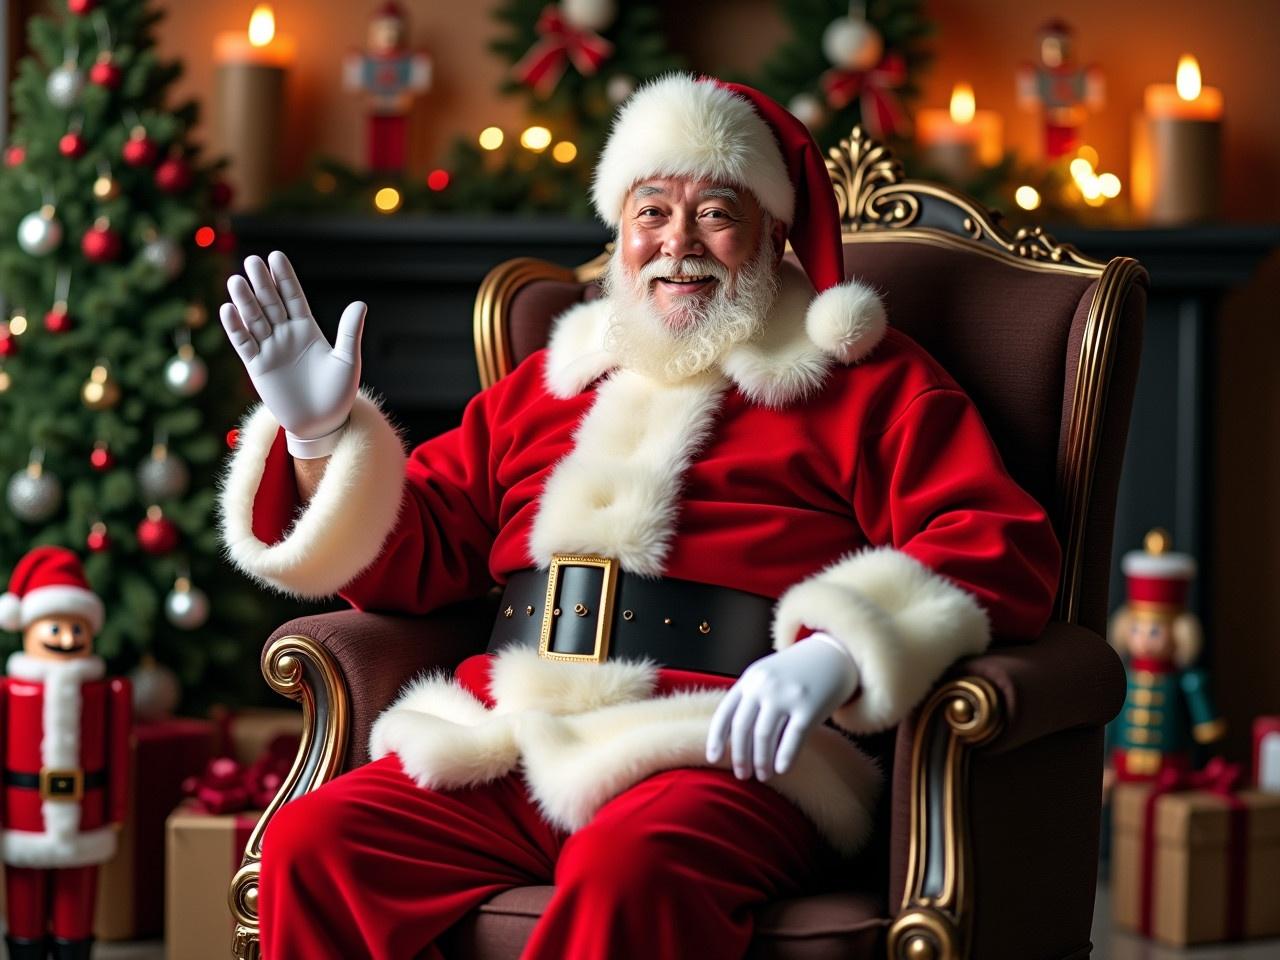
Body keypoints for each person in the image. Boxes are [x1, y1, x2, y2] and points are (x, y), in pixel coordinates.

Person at [217, 75, 1061, 959]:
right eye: (652, 211)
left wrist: (840, 650)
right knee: (315, 847)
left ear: (775, 233)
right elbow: (417, 554)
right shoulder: (544, 390)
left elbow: (997, 543)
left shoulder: (865, 380)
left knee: (632, 871)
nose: (678, 243)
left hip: (724, 748)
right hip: (514, 734)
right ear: (619, 232)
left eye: (716, 212)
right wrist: (319, 441)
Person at [0, 546, 132, 960]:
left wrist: (115, 811)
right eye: (54, 628)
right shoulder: (9, 691)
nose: (68, 639)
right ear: (28, 628)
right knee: (24, 900)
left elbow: (118, 757)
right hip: (22, 811)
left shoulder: (107, 693)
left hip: (87, 809)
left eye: (77, 629)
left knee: (77, 899)